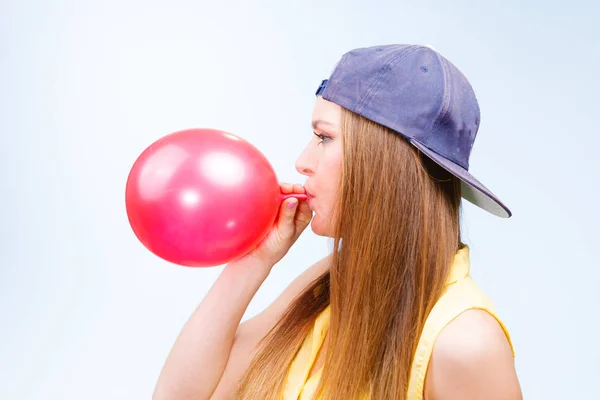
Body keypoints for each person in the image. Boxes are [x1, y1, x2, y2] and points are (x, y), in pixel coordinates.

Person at [153, 44, 523, 400]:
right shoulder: (327, 283)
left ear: (385, 164)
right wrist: (254, 262)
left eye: (324, 137)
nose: (302, 161)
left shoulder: (465, 342)